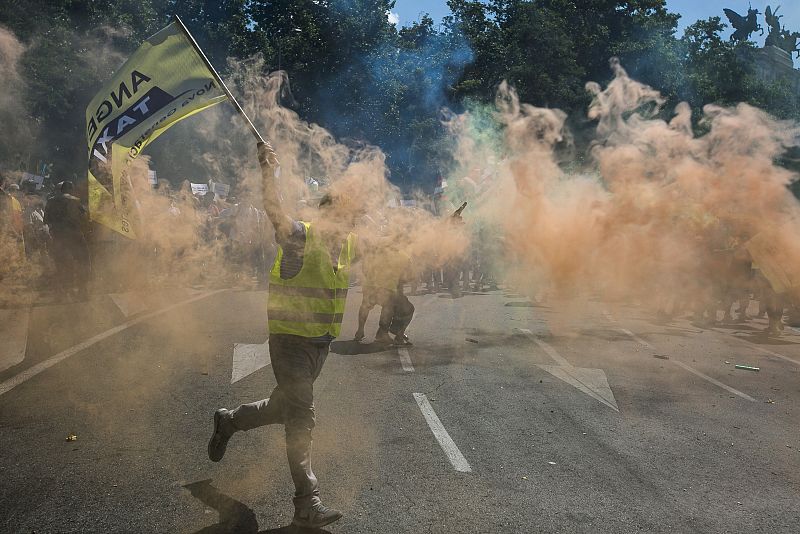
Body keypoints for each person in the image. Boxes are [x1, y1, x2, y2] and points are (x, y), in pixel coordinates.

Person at [207, 141, 357, 529]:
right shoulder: (302, 237)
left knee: (282, 409)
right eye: (345, 215)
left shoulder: (348, 246)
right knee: (301, 418)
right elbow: (274, 212)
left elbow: (399, 247)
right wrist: (267, 171)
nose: (350, 223)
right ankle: (307, 502)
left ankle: (229, 421)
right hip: (290, 343)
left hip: (319, 347)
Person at [355, 243, 413, 344]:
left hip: (369, 286)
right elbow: (409, 277)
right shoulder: (404, 257)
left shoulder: (376, 252)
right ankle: (388, 334)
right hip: (388, 289)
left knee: (365, 306)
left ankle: (360, 331)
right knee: (404, 308)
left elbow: (364, 268)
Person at [44, 181, 91, 300]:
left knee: (61, 264)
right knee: (83, 261)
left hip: (58, 236)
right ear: (71, 189)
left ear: (61, 189)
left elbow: (46, 221)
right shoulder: (76, 201)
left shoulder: (50, 201)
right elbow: (84, 219)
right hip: (75, 235)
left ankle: (63, 292)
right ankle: (82, 290)